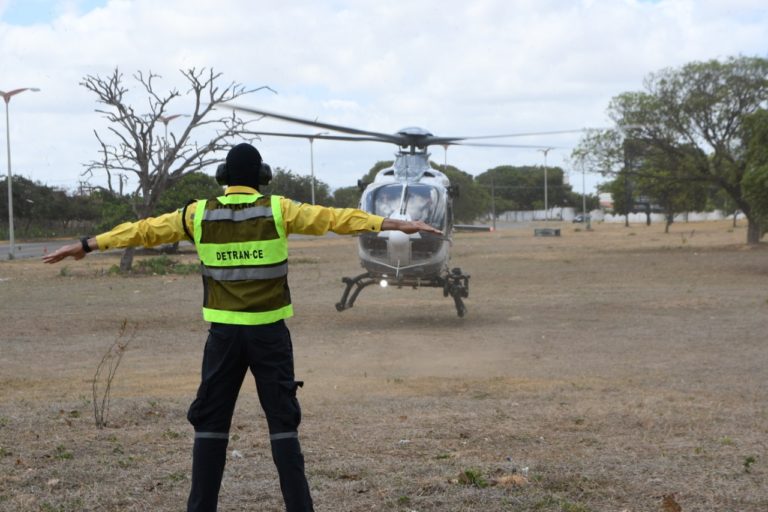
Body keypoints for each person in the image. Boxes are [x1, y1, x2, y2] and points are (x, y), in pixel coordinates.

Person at [43, 142, 441, 512]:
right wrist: (394, 223)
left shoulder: (197, 213)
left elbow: (142, 229)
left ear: (223, 178)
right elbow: (335, 219)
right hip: (270, 335)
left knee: (211, 425)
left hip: (223, 337)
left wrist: (88, 243)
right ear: (262, 177)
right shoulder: (279, 209)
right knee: (283, 425)